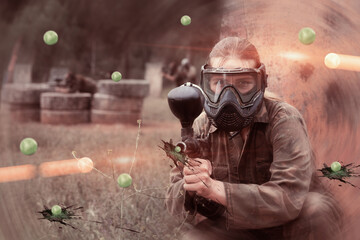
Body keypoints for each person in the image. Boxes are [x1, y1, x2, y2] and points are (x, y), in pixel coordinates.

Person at [165, 37, 343, 240]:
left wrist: (216, 189)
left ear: (261, 82)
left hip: (292, 225)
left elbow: (289, 198)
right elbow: (173, 200)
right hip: (240, 225)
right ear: (206, 83)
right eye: (219, 82)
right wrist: (191, 186)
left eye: (243, 83)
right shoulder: (200, 126)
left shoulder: (284, 120)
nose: (228, 96)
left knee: (316, 209)